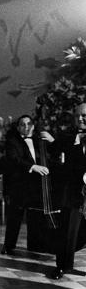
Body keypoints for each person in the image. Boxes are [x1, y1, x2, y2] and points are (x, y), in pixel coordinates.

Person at [1, 115, 50, 256]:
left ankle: (35, 245)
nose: (26, 127)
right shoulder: (12, 141)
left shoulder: (38, 141)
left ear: (33, 126)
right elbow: (14, 159)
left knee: (35, 217)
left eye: (29, 124)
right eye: (22, 124)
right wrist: (33, 167)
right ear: (18, 127)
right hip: (19, 185)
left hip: (36, 185)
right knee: (15, 217)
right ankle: (9, 245)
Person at [47, 103, 86, 279]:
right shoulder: (69, 137)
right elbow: (58, 155)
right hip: (74, 192)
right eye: (78, 116)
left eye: (84, 115)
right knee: (66, 231)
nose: (80, 119)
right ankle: (62, 266)